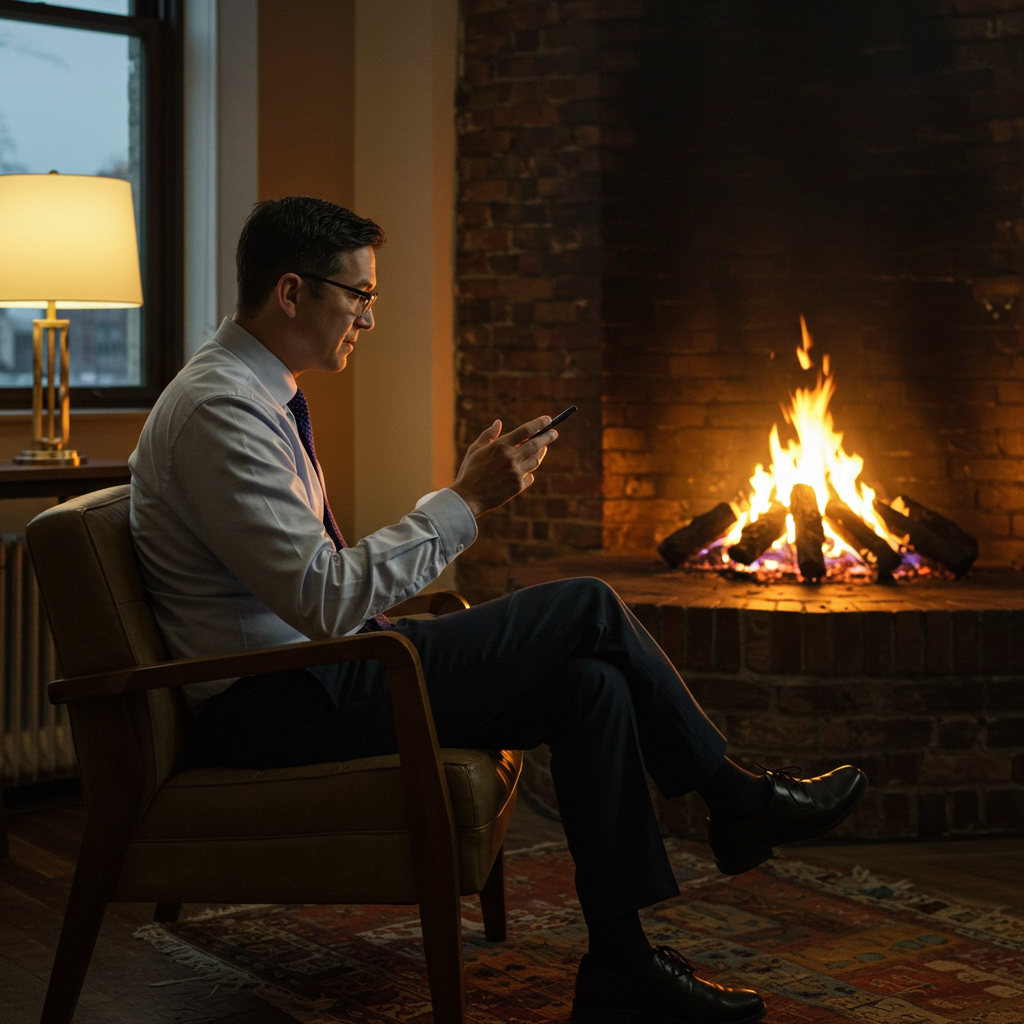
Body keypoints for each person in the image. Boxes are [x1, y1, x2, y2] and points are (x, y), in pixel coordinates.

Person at [130, 196, 867, 1024]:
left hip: (316, 671)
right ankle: (737, 800)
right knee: (586, 604)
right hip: (271, 699)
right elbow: (324, 598)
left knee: (590, 686)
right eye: (359, 295)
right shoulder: (222, 409)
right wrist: (464, 501)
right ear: (293, 293)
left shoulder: (254, 394)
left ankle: (622, 967)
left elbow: (314, 591)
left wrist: (459, 500)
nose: (369, 318)